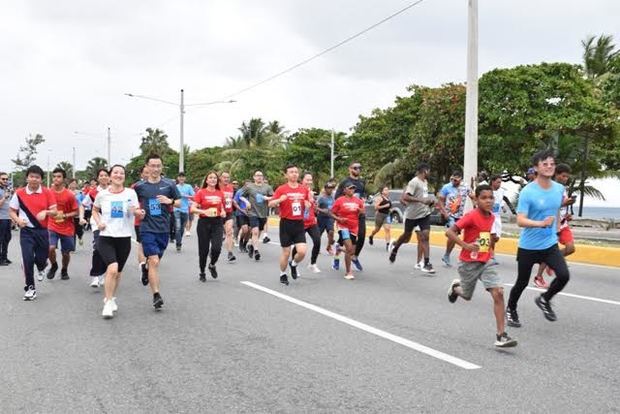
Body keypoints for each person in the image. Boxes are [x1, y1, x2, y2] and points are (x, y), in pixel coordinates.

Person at [446, 184, 518, 348]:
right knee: (466, 295)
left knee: (498, 293)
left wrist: (491, 244)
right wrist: (465, 245)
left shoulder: (492, 217)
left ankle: (501, 335)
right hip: (468, 262)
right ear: (477, 200)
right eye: (484, 198)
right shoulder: (471, 216)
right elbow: (450, 232)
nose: (489, 201)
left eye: (491, 197)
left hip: (485, 260)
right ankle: (456, 288)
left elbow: (486, 235)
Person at [506, 149, 570, 327]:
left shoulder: (559, 188)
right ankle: (511, 309)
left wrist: (556, 227)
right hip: (529, 245)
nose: (549, 167)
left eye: (552, 164)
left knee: (564, 275)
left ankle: (545, 299)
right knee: (522, 282)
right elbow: (520, 220)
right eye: (545, 164)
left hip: (549, 244)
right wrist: (540, 224)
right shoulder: (528, 192)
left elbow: (556, 208)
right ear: (536, 168)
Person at [92, 165, 140, 319]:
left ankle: (111, 297)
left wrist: (139, 212)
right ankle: (107, 303)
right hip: (106, 237)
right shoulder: (102, 194)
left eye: (122, 173)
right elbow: (94, 210)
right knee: (112, 269)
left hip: (124, 237)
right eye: (116, 172)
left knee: (118, 273)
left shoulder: (131, 193)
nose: (119, 175)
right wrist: (99, 222)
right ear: (110, 176)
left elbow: (135, 210)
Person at [133, 154, 181, 309]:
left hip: (163, 229)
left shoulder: (170, 184)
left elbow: (180, 202)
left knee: (156, 261)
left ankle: (145, 268)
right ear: (146, 167)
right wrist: (138, 211)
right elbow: (132, 204)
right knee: (154, 261)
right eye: (152, 166)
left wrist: (170, 201)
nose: (155, 169)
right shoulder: (139, 187)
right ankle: (156, 295)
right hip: (147, 228)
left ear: (162, 167)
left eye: (158, 166)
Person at [8, 165, 57, 300]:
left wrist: (46, 212)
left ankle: (41, 266)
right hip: (26, 232)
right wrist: (18, 220)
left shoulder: (47, 192)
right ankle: (30, 287)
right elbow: (12, 210)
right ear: (27, 178)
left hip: (42, 231)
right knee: (27, 258)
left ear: (41, 179)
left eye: (37, 177)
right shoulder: (19, 193)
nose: (34, 179)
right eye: (31, 176)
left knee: (41, 259)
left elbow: (55, 211)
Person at [533, 163, 577, 288]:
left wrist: (566, 215)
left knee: (570, 248)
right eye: (563, 176)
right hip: (552, 226)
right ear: (556, 175)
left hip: (563, 224)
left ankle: (552, 263)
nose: (565, 179)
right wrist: (563, 204)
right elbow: (547, 207)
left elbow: (561, 208)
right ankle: (538, 277)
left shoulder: (562, 189)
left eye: (567, 177)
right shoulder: (549, 188)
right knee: (549, 252)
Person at [389, 163, 436, 274]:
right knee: (406, 236)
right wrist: (421, 201)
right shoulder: (414, 182)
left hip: (424, 214)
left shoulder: (425, 182)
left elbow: (423, 197)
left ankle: (427, 263)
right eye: (429, 171)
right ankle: (395, 249)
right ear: (425, 171)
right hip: (412, 215)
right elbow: (405, 197)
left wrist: (429, 203)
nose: (429, 173)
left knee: (425, 236)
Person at [268, 164, 311, 285]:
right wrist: (279, 200)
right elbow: (270, 204)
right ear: (286, 175)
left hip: (299, 223)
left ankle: (294, 264)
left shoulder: (303, 189)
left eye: (296, 172)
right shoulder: (281, 189)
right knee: (286, 252)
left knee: (302, 252)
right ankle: (282, 273)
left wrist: (307, 204)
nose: (294, 174)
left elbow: (307, 201)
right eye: (291, 172)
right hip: (286, 223)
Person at [191, 171, 226, 281]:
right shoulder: (201, 192)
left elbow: (222, 207)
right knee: (203, 250)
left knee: (217, 248)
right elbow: (192, 209)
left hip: (217, 222)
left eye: (215, 178)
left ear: (217, 180)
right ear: (206, 180)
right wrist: (204, 211)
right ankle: (202, 272)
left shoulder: (220, 193)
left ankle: (212, 265)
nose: (212, 179)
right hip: (204, 223)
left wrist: (223, 212)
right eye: (210, 177)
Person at [46, 168, 78, 280]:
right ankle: (54, 266)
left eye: (58, 176)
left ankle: (64, 270)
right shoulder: (48, 192)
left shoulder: (69, 195)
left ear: (64, 179)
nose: (56, 178)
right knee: (50, 248)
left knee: (66, 253)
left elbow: (76, 211)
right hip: (52, 225)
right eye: (54, 176)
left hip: (67, 227)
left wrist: (64, 216)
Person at [80, 169, 110, 288]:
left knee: (108, 250)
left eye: (106, 175)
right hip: (97, 223)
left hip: (111, 225)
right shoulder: (92, 193)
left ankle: (104, 273)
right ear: (98, 178)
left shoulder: (114, 190)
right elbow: (82, 205)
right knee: (98, 247)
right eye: (101, 175)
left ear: (109, 177)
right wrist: (81, 217)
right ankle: (96, 276)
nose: (103, 177)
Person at [335, 162, 367, 271]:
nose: (358, 169)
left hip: (359, 214)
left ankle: (354, 256)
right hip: (346, 216)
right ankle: (339, 250)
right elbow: (337, 197)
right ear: (350, 169)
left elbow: (363, 194)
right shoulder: (344, 182)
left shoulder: (362, 182)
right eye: (355, 168)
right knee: (344, 239)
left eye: (359, 168)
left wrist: (363, 200)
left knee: (361, 236)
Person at [438, 171, 473, 267]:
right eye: (452, 179)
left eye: (456, 180)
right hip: (450, 215)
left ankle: (447, 254)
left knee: (453, 236)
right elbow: (440, 200)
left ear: (461, 179)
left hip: (460, 216)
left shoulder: (465, 187)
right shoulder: (446, 187)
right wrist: (444, 212)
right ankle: (447, 254)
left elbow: (473, 197)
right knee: (453, 234)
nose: (454, 181)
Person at [331, 183, 365, 280]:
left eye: (353, 188)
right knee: (349, 248)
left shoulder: (358, 201)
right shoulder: (339, 200)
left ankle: (339, 249)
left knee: (351, 251)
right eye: (350, 188)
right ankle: (348, 272)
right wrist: (338, 219)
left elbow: (361, 212)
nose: (352, 190)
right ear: (344, 190)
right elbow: (332, 213)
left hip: (354, 227)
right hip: (343, 226)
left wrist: (361, 212)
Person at [240, 170, 274, 261]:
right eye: (257, 175)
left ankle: (252, 246)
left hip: (263, 213)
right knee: (254, 231)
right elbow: (241, 196)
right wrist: (246, 201)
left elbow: (274, 197)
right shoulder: (249, 186)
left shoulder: (267, 187)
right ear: (254, 177)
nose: (259, 177)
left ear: (263, 177)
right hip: (252, 212)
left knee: (259, 232)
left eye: (261, 175)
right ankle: (256, 251)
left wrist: (267, 198)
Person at [292, 172, 321, 273]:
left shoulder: (311, 192)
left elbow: (313, 207)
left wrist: (315, 209)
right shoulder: (299, 191)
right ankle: (294, 264)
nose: (309, 182)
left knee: (317, 241)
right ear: (302, 180)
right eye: (307, 179)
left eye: (310, 180)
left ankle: (312, 263)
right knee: (299, 246)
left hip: (312, 222)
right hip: (300, 223)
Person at [488, 174, 516, 266]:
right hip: (488, 216)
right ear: (492, 182)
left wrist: (503, 208)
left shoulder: (501, 192)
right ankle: (491, 256)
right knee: (492, 235)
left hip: (497, 217)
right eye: (498, 182)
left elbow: (501, 202)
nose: (499, 184)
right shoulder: (487, 191)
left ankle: (489, 252)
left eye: (500, 182)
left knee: (496, 238)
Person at [132, 165, 149, 280]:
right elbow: (130, 203)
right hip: (140, 220)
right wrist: (137, 211)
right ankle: (143, 266)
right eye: (146, 172)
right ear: (141, 174)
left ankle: (148, 264)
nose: (148, 174)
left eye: (150, 171)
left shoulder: (160, 186)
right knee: (142, 244)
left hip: (156, 221)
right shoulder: (136, 187)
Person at [173, 172, 195, 252]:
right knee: (178, 227)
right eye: (180, 177)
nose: (181, 178)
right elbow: (171, 197)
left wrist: (185, 196)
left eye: (183, 177)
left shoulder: (188, 186)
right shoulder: (175, 187)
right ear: (178, 178)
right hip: (176, 209)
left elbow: (194, 196)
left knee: (182, 228)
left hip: (185, 210)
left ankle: (179, 240)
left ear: (185, 178)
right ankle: (178, 244)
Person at [368, 186, 393, 251]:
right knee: (377, 229)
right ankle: (371, 236)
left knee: (387, 229)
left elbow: (389, 206)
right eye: (385, 190)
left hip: (387, 215)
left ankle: (388, 245)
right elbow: (376, 207)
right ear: (382, 191)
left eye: (388, 190)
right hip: (379, 215)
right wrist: (385, 206)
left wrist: (390, 209)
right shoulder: (380, 198)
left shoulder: (388, 198)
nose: (387, 191)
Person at [219, 172, 237, 263]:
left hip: (229, 213)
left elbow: (231, 200)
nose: (226, 179)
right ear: (220, 178)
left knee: (229, 231)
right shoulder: (217, 187)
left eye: (228, 177)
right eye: (224, 177)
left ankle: (230, 253)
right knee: (218, 236)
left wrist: (240, 208)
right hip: (218, 214)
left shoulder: (230, 187)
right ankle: (213, 249)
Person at [316, 181, 336, 255]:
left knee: (331, 232)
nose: (330, 190)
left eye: (331, 188)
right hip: (321, 218)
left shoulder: (333, 198)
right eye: (329, 188)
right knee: (318, 234)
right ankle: (317, 248)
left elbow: (335, 207)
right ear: (325, 189)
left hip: (330, 218)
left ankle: (329, 247)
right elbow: (315, 207)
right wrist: (322, 210)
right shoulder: (321, 198)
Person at [233, 181, 251, 253]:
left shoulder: (252, 192)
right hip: (241, 213)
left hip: (250, 214)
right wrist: (241, 209)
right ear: (244, 186)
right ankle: (240, 242)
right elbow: (234, 202)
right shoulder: (239, 192)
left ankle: (244, 244)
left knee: (249, 230)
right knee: (245, 229)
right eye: (247, 186)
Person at [0, 172, 13, 266]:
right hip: (1, 218)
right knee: (1, 239)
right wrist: (4, 197)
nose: (5, 180)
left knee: (7, 238)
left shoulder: (7, 189)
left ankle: (4, 257)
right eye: (3, 179)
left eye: (6, 179)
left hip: (8, 217)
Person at [68, 179, 85, 247]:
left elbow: (84, 202)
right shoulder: (66, 192)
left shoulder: (80, 193)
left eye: (75, 183)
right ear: (69, 184)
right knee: (72, 231)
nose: (73, 185)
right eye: (72, 183)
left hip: (78, 214)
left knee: (79, 229)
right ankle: (72, 246)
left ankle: (80, 237)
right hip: (70, 214)